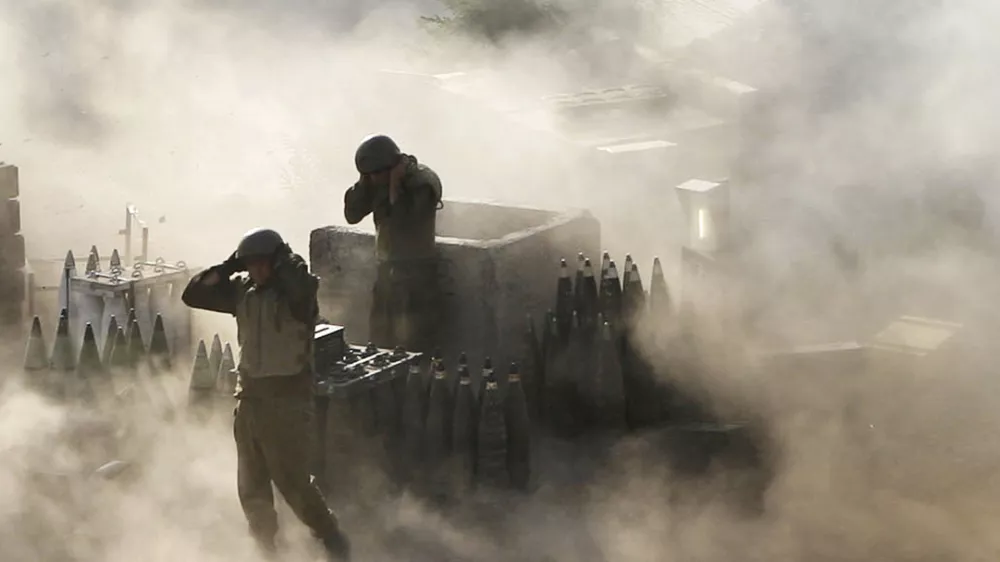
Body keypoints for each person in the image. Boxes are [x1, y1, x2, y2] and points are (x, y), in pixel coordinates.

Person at [181, 228, 350, 561]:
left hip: (287, 400)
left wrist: (286, 261)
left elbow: (302, 291)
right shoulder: (243, 292)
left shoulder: (296, 294)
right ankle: (266, 548)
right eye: (251, 266)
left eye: (262, 264)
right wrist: (229, 266)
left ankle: (330, 536)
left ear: (276, 263)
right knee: (252, 484)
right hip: (250, 399)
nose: (256, 271)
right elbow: (194, 295)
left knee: (292, 482)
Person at [344, 133, 444, 353]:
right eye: (367, 175)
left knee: (415, 343)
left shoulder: (421, 182)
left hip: (416, 276)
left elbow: (404, 222)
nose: (373, 179)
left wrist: (395, 187)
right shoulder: (378, 179)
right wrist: (364, 183)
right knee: (381, 342)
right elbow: (352, 214)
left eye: (375, 174)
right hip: (387, 272)